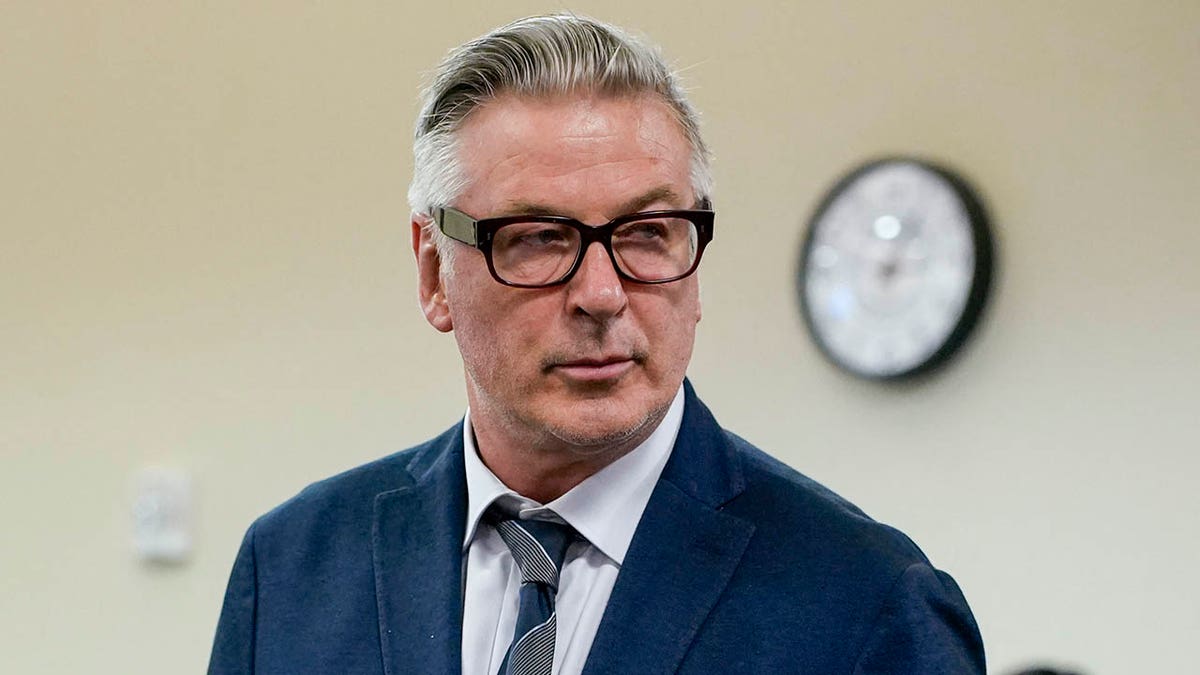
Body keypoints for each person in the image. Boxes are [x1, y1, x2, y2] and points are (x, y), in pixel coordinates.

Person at [208, 14, 985, 675]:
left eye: (648, 233)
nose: (603, 295)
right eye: (539, 239)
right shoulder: (291, 569)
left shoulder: (865, 603)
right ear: (433, 273)